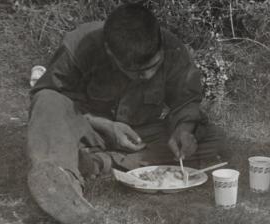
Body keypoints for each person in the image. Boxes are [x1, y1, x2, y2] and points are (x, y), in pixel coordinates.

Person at [27, 3, 230, 224]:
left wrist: (183, 130)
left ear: (160, 44)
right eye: (136, 71)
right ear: (109, 52)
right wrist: (104, 125)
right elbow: (52, 95)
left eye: (154, 66)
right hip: (87, 128)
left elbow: (186, 101)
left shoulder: (173, 48)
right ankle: (62, 181)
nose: (147, 75)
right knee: (47, 101)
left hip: (141, 137)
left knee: (212, 138)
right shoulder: (79, 44)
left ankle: (97, 163)